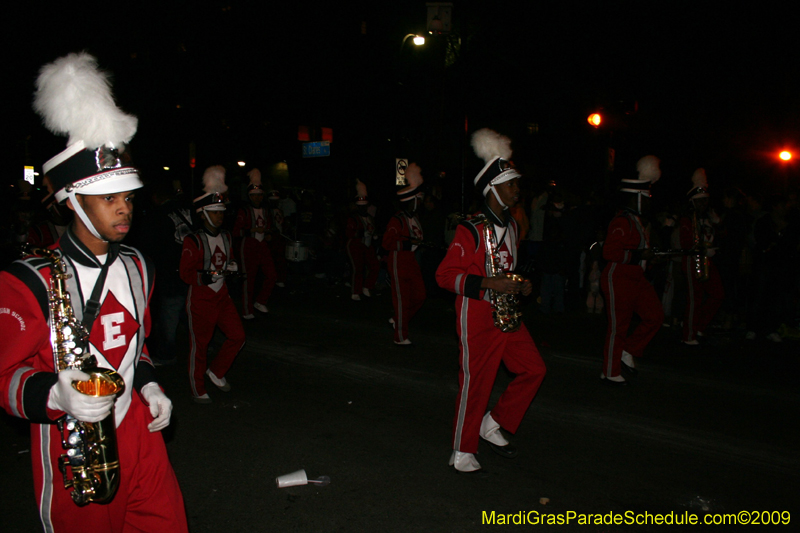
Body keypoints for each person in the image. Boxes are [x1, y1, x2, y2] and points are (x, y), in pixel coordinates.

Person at [0, 52, 187, 532]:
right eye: (109, 198)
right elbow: (4, 377)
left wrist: (148, 384)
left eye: (127, 196)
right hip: (74, 443)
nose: (124, 208)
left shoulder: (137, 264)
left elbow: (136, 345)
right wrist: (56, 395)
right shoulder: (29, 279)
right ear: (73, 203)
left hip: (140, 433)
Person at [436, 129, 547, 476]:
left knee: (535, 369)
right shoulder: (469, 229)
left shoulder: (513, 226)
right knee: (475, 384)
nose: (517, 190)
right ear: (494, 188)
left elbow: (507, 269)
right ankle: (461, 451)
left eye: (516, 184)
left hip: (507, 314)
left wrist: (520, 284)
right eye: (511, 184)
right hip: (477, 317)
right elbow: (444, 276)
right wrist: (488, 283)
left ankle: (493, 421)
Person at [181, 166, 246, 404]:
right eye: (215, 212)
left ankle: (217, 372)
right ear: (203, 213)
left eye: (221, 212)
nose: (220, 216)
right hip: (201, 299)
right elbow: (186, 274)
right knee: (200, 346)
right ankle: (197, 387)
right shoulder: (193, 239)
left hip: (222, 297)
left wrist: (232, 267)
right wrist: (211, 274)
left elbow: (227, 260)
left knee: (238, 336)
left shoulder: (227, 236)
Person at [600, 156, 664, 384]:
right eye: (645, 198)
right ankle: (609, 370)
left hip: (636, 277)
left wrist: (648, 258)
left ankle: (628, 350)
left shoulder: (637, 221)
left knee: (655, 316)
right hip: (618, 277)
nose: (649, 202)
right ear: (636, 198)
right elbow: (610, 253)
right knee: (618, 327)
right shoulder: (622, 221)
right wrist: (639, 255)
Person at [679, 169, 724, 345]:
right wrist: (704, 250)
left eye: (705, 200)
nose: (704, 204)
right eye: (700, 201)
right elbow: (686, 243)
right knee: (694, 298)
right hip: (693, 261)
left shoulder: (709, 217)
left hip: (707, 261)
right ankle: (688, 335)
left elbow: (723, 236)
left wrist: (718, 223)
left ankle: (698, 326)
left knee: (718, 294)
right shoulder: (687, 219)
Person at [382, 163, 426, 345]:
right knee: (401, 299)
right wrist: (408, 243)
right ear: (411, 200)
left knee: (420, 295)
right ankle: (399, 336)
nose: (421, 202)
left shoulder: (414, 218)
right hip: (398, 260)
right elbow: (387, 243)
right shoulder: (397, 219)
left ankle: (399, 319)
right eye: (418, 199)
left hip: (410, 261)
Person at [233, 168, 277, 319]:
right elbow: (236, 232)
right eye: (254, 196)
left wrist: (268, 235)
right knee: (248, 279)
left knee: (272, 275)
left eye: (259, 195)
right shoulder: (243, 211)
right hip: (249, 245)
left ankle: (261, 301)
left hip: (262, 245)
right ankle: (247, 310)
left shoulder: (266, 210)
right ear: (250, 196)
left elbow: (270, 228)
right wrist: (252, 229)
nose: (257, 198)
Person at [346, 179, 379, 301]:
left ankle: (367, 286)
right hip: (356, 245)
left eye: (364, 206)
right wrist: (360, 233)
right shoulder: (353, 218)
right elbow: (349, 233)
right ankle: (356, 291)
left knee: (375, 265)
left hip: (367, 245)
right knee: (357, 268)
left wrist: (374, 235)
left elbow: (373, 229)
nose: (363, 209)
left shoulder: (370, 217)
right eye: (361, 207)